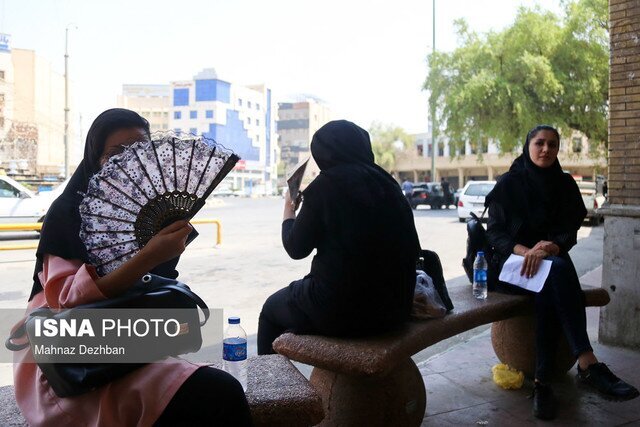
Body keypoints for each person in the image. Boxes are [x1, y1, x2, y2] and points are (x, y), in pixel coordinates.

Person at [13, 109, 252, 427]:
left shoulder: (152, 207)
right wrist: (149, 256)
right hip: (62, 352)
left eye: (139, 151)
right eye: (115, 153)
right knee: (216, 392)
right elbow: (65, 299)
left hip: (122, 333)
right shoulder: (69, 210)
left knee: (213, 386)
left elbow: (155, 286)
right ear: (94, 158)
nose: (128, 161)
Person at [485, 125, 639, 420]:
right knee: (557, 271)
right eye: (539, 143)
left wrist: (553, 247)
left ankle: (543, 382)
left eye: (552, 145)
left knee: (552, 276)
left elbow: (569, 231)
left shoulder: (564, 184)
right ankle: (587, 362)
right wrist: (526, 251)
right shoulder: (509, 184)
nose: (545, 149)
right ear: (527, 146)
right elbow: (495, 235)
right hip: (511, 266)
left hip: (549, 265)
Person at [257, 120, 420, 354]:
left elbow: (295, 248)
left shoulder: (326, 185)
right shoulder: (389, 184)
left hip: (342, 311)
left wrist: (289, 208)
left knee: (271, 311)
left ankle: (269, 388)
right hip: (396, 309)